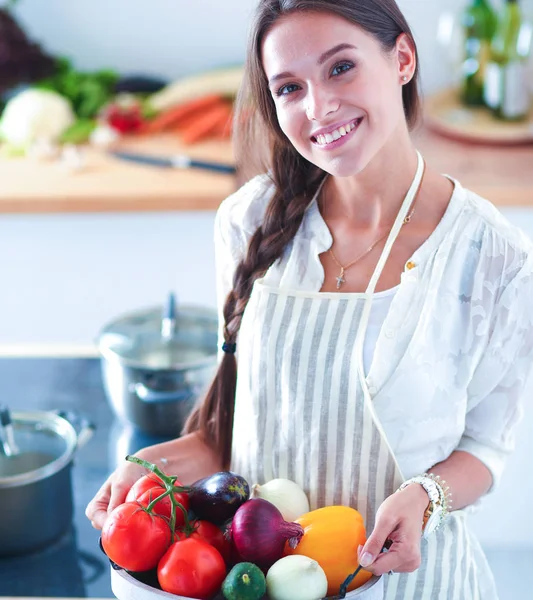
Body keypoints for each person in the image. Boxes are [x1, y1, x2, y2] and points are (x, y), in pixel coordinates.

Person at [86, 1, 533, 598]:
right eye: (289, 87)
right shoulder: (248, 221)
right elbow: (242, 434)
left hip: (414, 583)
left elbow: (485, 446)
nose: (318, 108)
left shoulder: (492, 255)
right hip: (266, 584)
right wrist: (145, 475)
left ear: (402, 58)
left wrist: (426, 496)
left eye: (341, 68)